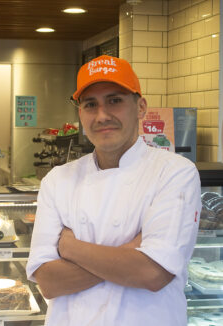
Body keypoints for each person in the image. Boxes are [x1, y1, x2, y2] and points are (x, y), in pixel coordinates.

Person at [26, 55, 201, 325]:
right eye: (90, 104)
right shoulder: (58, 180)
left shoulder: (175, 173)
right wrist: (129, 253)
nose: (102, 115)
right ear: (80, 113)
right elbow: (49, 283)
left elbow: (153, 274)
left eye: (115, 100)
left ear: (140, 107)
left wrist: (70, 247)